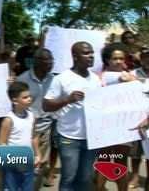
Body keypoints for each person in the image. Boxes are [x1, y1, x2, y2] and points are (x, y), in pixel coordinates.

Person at [43, 42, 102, 191]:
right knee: (69, 178)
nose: (91, 56)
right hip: (68, 137)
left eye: (92, 53)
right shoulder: (61, 79)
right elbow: (46, 105)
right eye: (86, 53)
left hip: (90, 138)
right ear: (75, 57)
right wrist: (67, 99)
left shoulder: (96, 79)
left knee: (85, 178)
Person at [96, 43, 136, 191]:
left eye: (121, 58)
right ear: (107, 60)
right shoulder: (99, 78)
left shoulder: (132, 76)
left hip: (124, 126)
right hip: (104, 125)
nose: (118, 61)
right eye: (114, 58)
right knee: (104, 160)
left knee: (121, 161)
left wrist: (134, 81)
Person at [16, 48, 57, 189]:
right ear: (36, 62)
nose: (51, 63)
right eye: (47, 60)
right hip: (26, 127)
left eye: (52, 60)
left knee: (40, 162)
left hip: (46, 125)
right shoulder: (22, 79)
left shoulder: (54, 80)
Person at [0, 82, 42, 191]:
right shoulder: (9, 120)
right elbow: (2, 143)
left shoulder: (32, 116)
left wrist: (38, 154)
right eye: (25, 97)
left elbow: (34, 136)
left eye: (29, 96)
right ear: (14, 100)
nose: (29, 99)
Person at [128, 46, 149, 189]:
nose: (148, 59)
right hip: (135, 119)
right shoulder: (132, 74)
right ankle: (135, 177)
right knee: (135, 152)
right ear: (141, 58)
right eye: (146, 56)